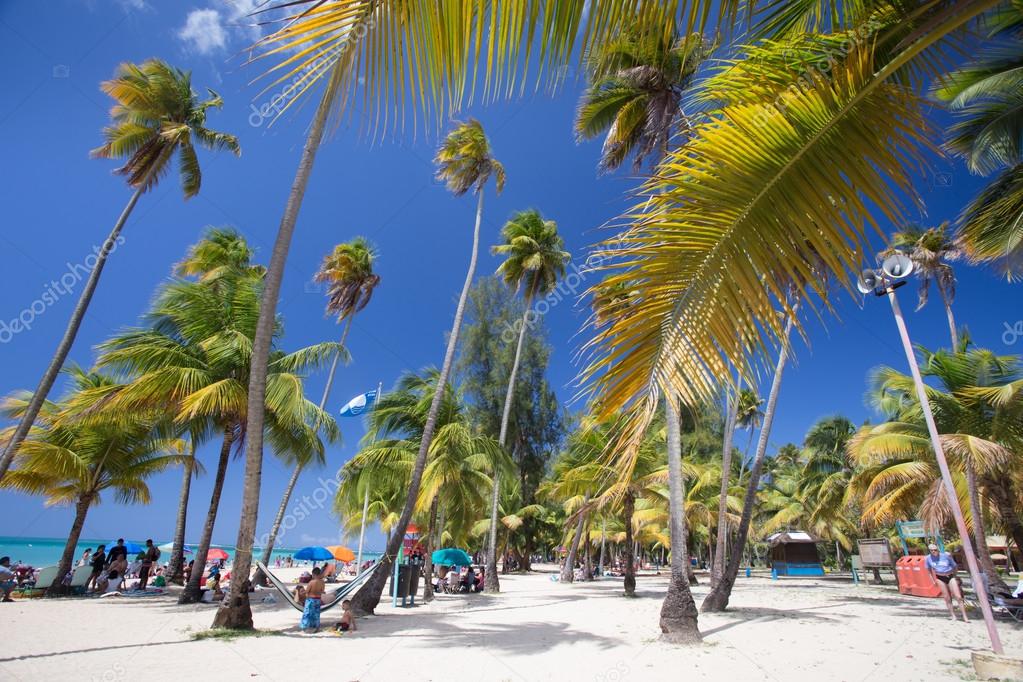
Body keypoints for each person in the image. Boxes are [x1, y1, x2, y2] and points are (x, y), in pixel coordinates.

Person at [925, 543, 968, 622]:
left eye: (935, 550)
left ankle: (965, 616)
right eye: (932, 550)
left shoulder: (945, 556)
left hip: (950, 576)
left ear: (938, 549)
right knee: (947, 597)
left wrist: (955, 575)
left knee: (958, 596)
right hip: (940, 578)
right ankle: (953, 616)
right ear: (929, 551)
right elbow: (929, 571)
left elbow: (954, 566)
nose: (934, 552)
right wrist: (933, 581)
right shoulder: (928, 558)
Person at [300, 567, 325, 632]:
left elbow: (307, 591)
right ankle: (316, 626)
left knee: (307, 613)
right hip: (318, 600)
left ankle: (305, 627)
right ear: (319, 574)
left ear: (313, 574)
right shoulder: (322, 582)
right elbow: (322, 591)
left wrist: (302, 592)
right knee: (316, 614)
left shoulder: (311, 582)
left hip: (310, 600)